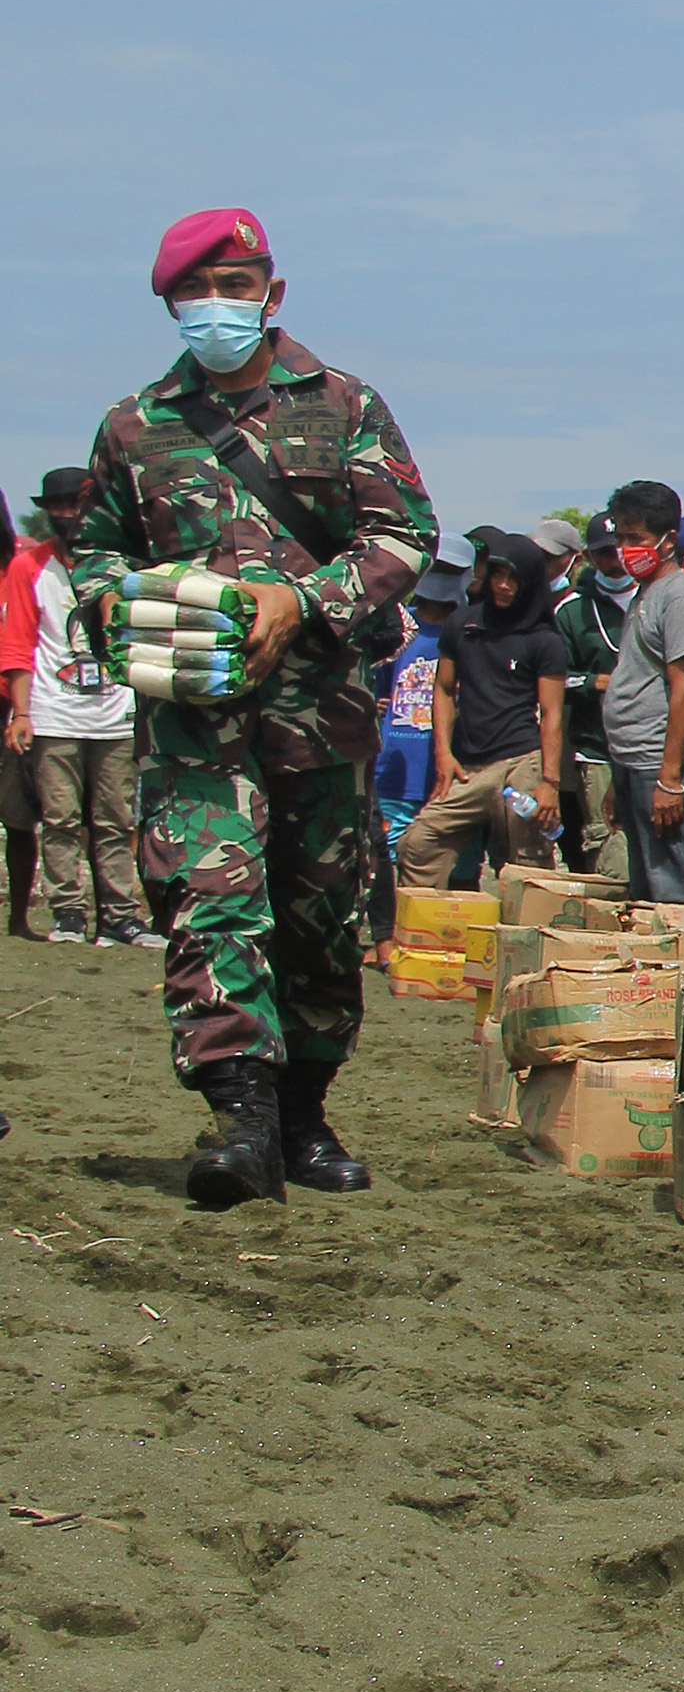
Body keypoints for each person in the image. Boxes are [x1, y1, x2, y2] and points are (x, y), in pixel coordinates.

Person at [68, 206, 436, 1203]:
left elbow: (404, 536)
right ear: (171, 304)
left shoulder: (344, 404)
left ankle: (307, 1115)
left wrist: (302, 600)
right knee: (210, 903)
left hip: (319, 711)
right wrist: (127, 601)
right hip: (193, 720)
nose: (221, 305)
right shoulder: (135, 427)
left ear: (272, 293)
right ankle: (242, 1119)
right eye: (201, 291)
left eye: (240, 286)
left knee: (319, 919)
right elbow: (94, 550)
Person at [19, 462, 154, 947]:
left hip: (115, 713)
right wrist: (20, 712)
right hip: (54, 711)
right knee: (59, 819)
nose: (65, 514)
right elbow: (17, 644)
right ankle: (69, 914)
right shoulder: (29, 566)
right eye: (56, 506)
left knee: (116, 819)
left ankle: (120, 916)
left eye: (74, 504)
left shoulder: (130, 566)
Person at [396, 526, 570, 892]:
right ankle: (425, 931)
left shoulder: (544, 639)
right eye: (498, 575)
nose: (503, 585)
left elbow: (552, 714)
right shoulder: (463, 623)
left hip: (521, 762)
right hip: (468, 765)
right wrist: (442, 753)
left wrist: (549, 782)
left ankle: (524, 940)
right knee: (418, 843)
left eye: (513, 579)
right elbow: (443, 689)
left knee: (528, 867)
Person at [598, 480, 684, 904]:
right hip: (633, 760)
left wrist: (669, 779)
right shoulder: (646, 593)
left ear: (668, 540)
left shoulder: (681, 596)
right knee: (647, 891)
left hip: (659, 763)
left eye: (636, 539)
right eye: (621, 538)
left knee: (679, 892)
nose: (625, 549)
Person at [366, 555, 459, 944]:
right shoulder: (398, 625)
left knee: (435, 853)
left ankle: (426, 936)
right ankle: (391, 936)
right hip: (395, 762)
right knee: (384, 851)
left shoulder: (464, 630)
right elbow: (378, 685)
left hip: (442, 765)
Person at [0, 471, 73, 941]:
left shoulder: (21, 562)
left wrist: (21, 709)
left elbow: (23, 640)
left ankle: (18, 917)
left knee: (18, 813)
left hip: (10, 700)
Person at [550, 512, 628, 874]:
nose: (614, 561)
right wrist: (593, 682)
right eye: (604, 553)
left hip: (653, 746)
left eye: (619, 550)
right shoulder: (571, 611)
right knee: (607, 843)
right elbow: (553, 681)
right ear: (589, 556)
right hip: (597, 748)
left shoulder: (656, 595)